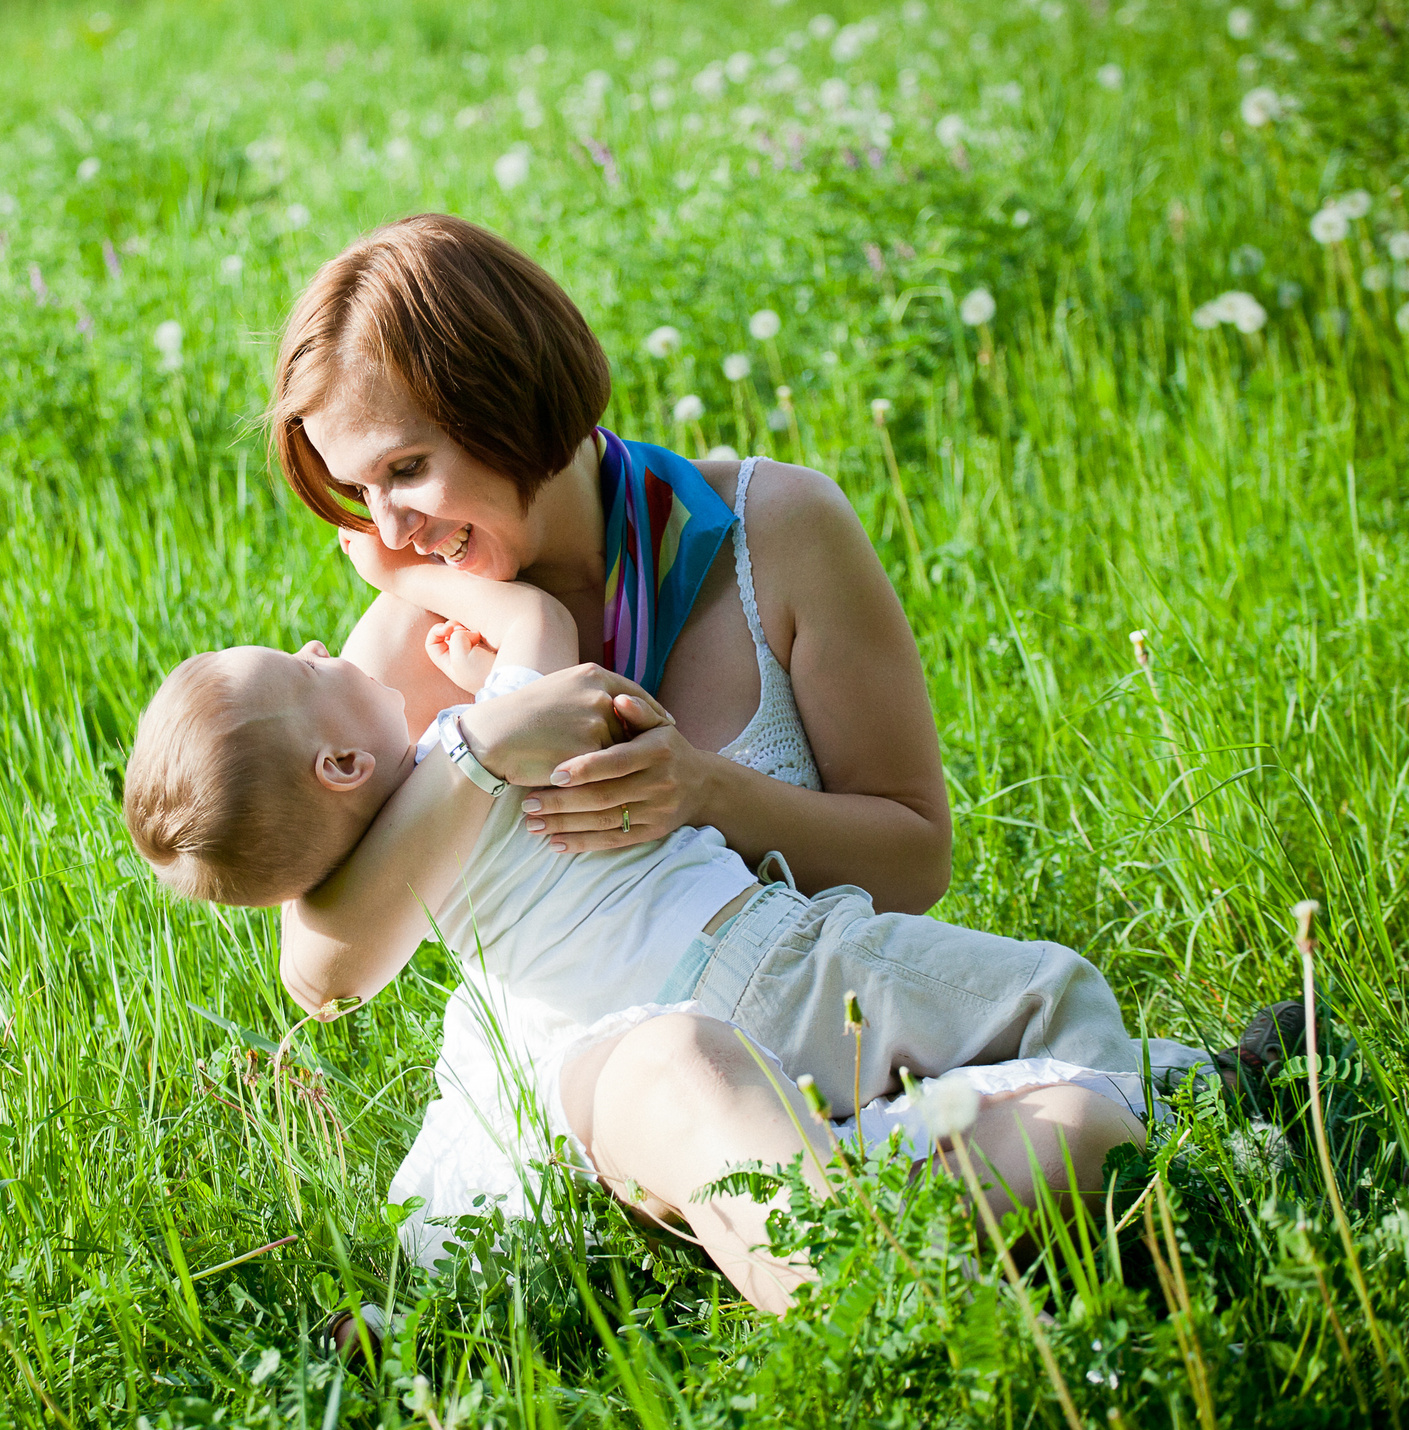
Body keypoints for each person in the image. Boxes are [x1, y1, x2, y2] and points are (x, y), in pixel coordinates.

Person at [245, 213, 1246, 1305]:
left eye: (407, 469)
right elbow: (321, 975)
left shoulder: (779, 529)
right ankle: (867, 1306)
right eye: (360, 491)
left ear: (508, 396)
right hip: (614, 1098)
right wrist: (481, 749)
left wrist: (707, 791)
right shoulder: (411, 643)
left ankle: (858, 1263)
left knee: (1082, 1133)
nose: (390, 532)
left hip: (829, 1031)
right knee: (680, 1062)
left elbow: (914, 858)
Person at [122, 552, 1154, 1310]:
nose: (321, 646)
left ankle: (872, 1202)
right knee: (1045, 995)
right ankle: (1146, 1126)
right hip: (769, 960)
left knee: (1010, 1128)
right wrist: (422, 582)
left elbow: (324, 941)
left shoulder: (392, 861)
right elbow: (537, 618)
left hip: (638, 1038)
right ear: (340, 765)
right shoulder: (474, 737)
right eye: (302, 668)